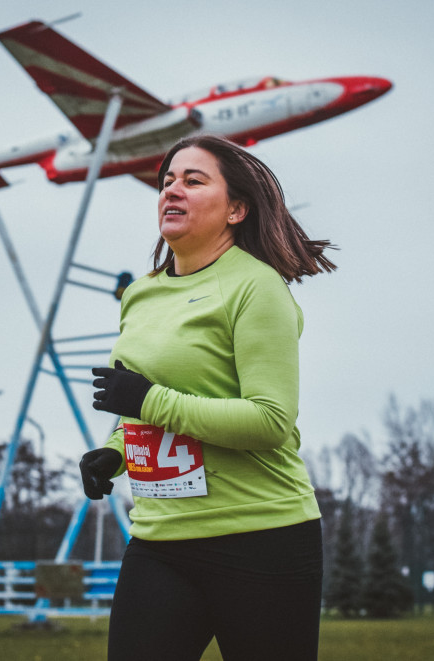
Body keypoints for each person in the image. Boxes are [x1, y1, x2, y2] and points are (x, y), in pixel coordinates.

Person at [80, 134, 336, 661]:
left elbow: (269, 421)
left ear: (236, 209)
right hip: (159, 539)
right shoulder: (141, 294)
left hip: (261, 537)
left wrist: (149, 402)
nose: (173, 190)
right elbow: (140, 400)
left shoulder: (256, 288)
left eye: (193, 181)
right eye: (167, 181)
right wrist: (117, 452)